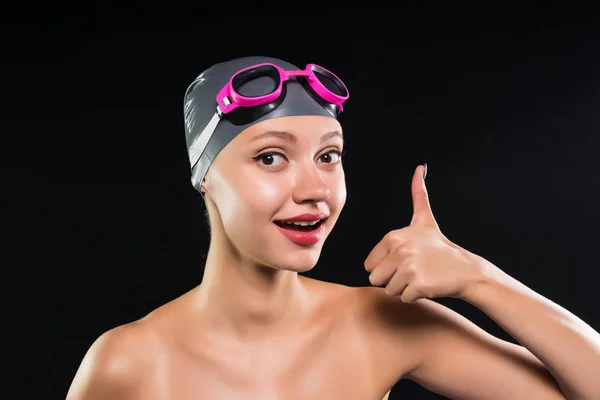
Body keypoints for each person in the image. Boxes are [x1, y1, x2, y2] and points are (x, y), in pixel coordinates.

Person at [66, 56, 600, 400]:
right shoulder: (128, 364)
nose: (314, 189)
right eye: (271, 158)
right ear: (206, 179)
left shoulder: (376, 324)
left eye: (329, 156)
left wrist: (479, 278)